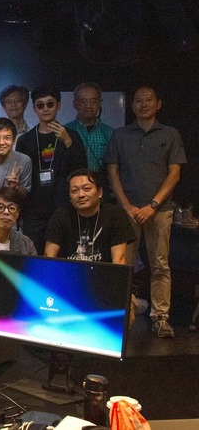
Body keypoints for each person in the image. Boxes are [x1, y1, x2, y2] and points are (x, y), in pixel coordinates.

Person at [104, 86, 186, 338]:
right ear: (132, 106)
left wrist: (153, 205)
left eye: (149, 100)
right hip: (126, 211)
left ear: (158, 104)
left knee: (160, 264)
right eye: (138, 100)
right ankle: (124, 315)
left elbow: (175, 173)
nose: (143, 104)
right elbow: (112, 172)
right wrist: (127, 206)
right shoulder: (120, 134)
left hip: (159, 211)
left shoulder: (170, 134)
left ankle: (160, 317)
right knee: (123, 265)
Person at [16, 86, 87, 254]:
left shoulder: (71, 136)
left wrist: (68, 142)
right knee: (33, 256)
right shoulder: (25, 140)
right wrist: (20, 214)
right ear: (34, 109)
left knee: (63, 256)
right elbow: (21, 179)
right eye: (40, 105)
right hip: (33, 210)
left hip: (63, 207)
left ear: (58, 105)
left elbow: (82, 172)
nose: (45, 109)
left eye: (50, 104)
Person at [45, 169, 134, 263]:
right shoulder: (61, 215)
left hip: (104, 271)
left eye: (86, 189)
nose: (81, 195)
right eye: (74, 191)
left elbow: (119, 259)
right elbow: (49, 257)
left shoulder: (115, 214)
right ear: (69, 197)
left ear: (99, 192)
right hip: (68, 271)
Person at [65, 82, 114, 175]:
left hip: (101, 182)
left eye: (93, 101)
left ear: (99, 103)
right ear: (75, 104)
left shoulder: (110, 132)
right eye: (83, 101)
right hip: (73, 182)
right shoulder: (65, 131)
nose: (88, 105)